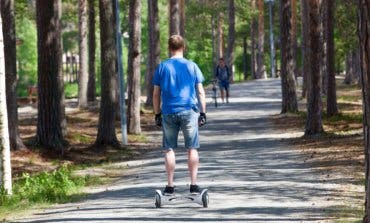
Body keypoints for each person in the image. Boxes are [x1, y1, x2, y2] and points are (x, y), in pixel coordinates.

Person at [152, 35, 207, 195]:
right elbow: (201, 91)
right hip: (189, 112)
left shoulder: (162, 67)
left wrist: (157, 113)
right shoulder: (192, 66)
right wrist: (203, 112)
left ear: (169, 48)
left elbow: (156, 93)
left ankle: (170, 186)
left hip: (168, 112)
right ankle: (194, 184)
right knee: (192, 148)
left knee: (169, 149)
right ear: (183, 47)